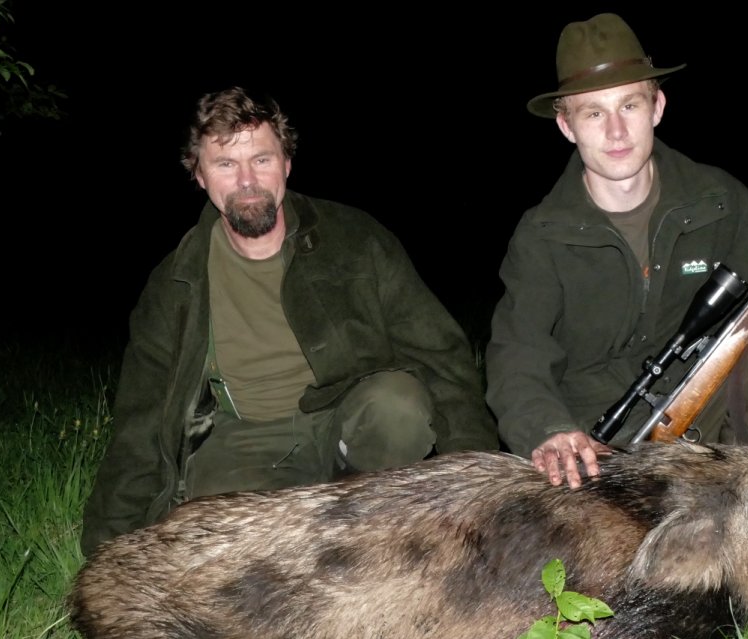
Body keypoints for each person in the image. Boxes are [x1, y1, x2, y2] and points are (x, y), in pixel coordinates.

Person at [81, 87, 496, 554]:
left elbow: (440, 358)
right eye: (225, 164)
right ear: (198, 175)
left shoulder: (356, 241)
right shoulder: (174, 283)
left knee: (397, 406)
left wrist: (482, 489)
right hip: (246, 437)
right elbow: (141, 422)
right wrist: (106, 550)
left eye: (261, 159)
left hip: (343, 419)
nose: (247, 181)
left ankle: (365, 525)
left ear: (287, 163)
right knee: (225, 546)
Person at [486, 13, 748, 489]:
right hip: (599, 440)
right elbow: (517, 355)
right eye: (594, 113)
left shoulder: (722, 201)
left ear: (657, 106)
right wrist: (551, 430)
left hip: (704, 408)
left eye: (629, 105)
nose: (616, 131)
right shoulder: (541, 235)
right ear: (566, 126)